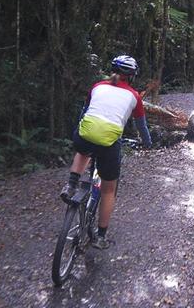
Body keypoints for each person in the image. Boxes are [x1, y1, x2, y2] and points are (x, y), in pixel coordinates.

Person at [60, 55, 152, 249]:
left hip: (85, 134)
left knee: (83, 149)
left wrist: (81, 131)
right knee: (109, 190)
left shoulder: (97, 86)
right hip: (109, 143)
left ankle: (71, 184)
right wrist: (147, 144)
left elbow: (84, 112)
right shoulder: (134, 96)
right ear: (132, 76)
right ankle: (101, 236)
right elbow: (142, 127)